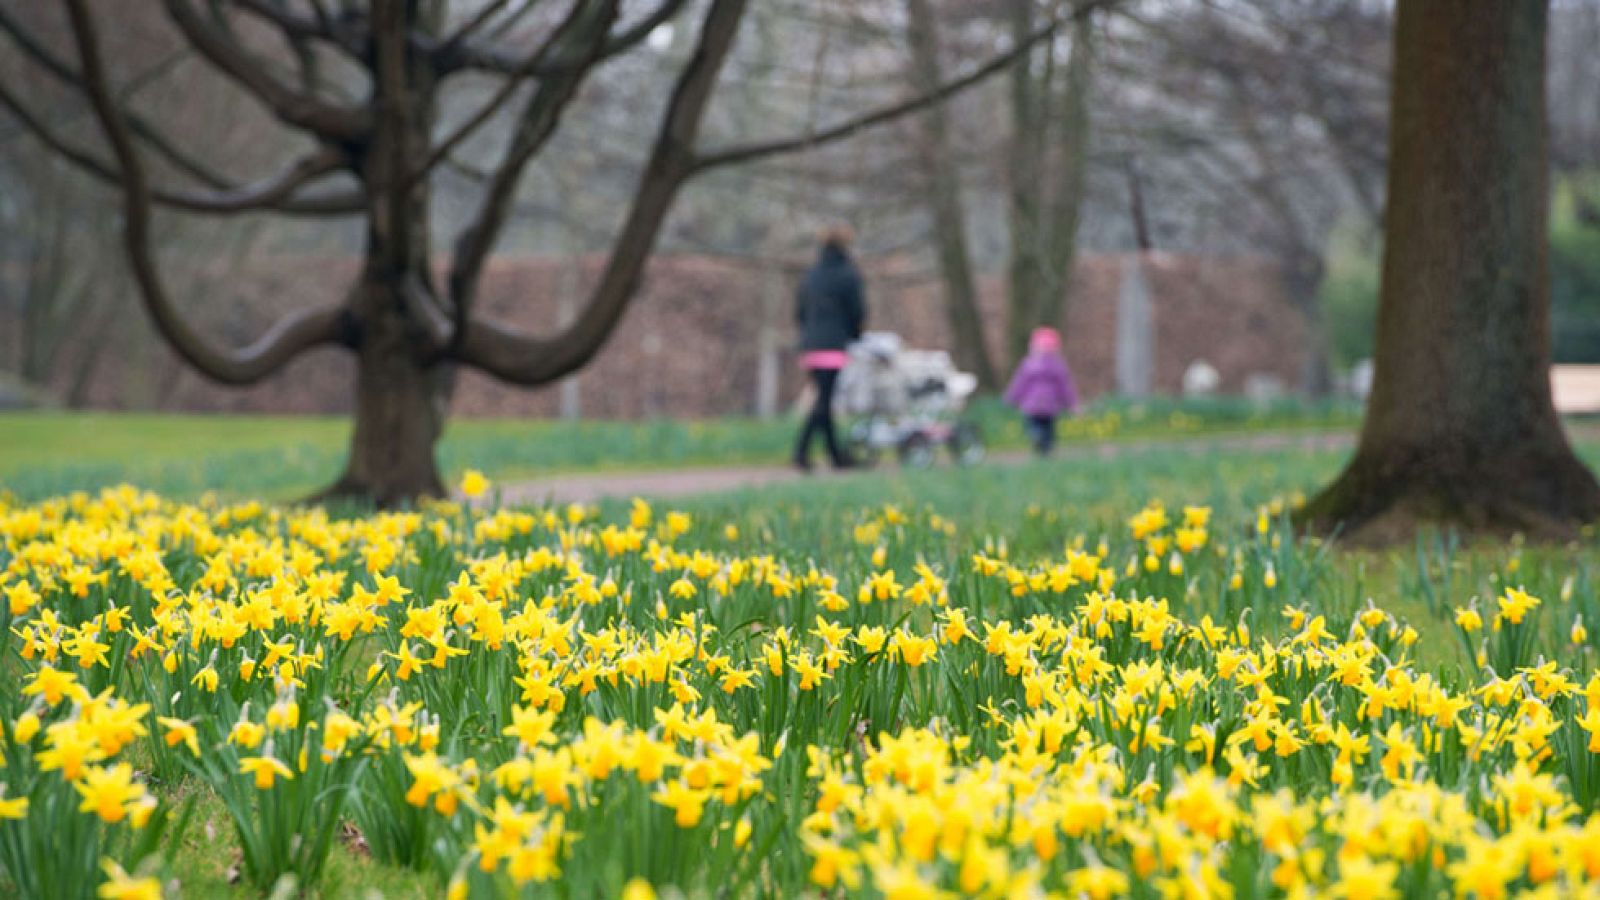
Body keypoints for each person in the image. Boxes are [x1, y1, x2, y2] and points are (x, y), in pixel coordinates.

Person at [793, 225, 865, 471]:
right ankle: (802, 452)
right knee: (823, 401)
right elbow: (856, 311)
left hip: (810, 345)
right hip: (833, 346)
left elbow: (800, 311)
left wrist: (806, 336)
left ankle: (835, 455)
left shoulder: (812, 274)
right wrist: (855, 335)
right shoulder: (848, 275)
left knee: (824, 399)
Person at [1004, 326, 1079, 456]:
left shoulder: (1028, 364)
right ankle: (1046, 449)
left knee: (1033, 425)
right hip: (1050, 405)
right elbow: (1065, 387)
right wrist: (1072, 404)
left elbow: (1020, 384)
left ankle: (1035, 435)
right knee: (1048, 430)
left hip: (1032, 405)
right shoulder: (1058, 366)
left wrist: (1011, 398)